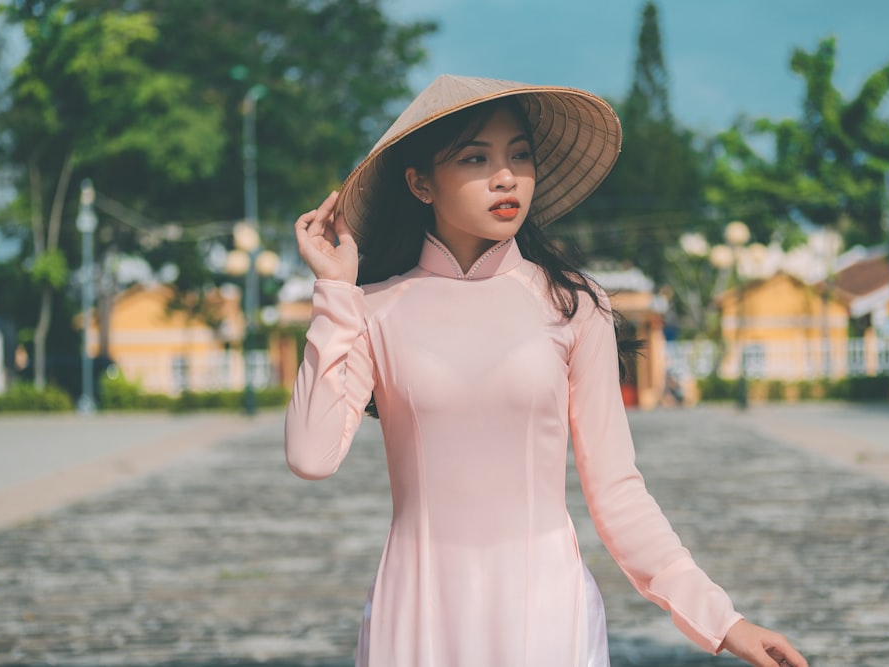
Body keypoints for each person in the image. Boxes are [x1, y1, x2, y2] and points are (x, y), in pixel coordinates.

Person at [285, 74, 808, 667]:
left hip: (545, 608)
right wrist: (334, 292)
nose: (506, 176)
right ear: (420, 183)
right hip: (418, 609)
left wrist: (721, 620)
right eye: (476, 158)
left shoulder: (574, 304)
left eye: (520, 155)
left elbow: (616, 492)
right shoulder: (374, 309)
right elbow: (311, 455)